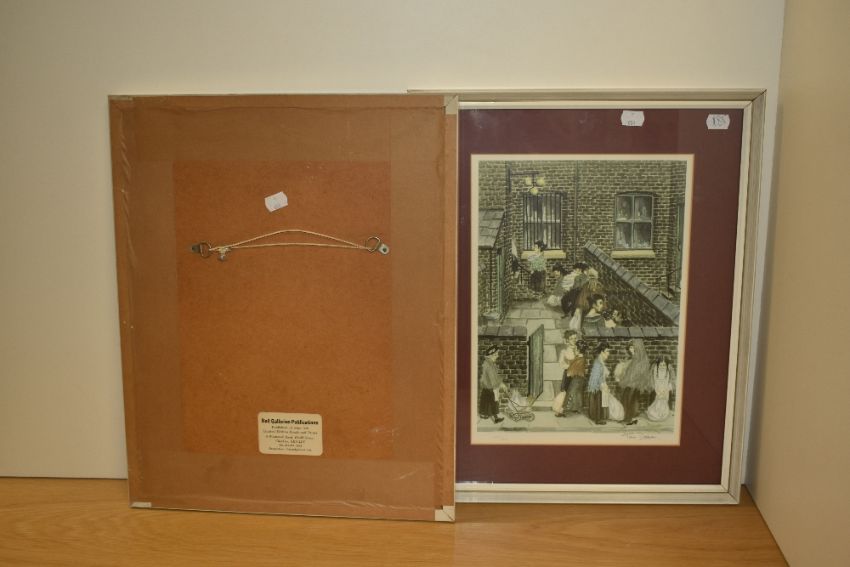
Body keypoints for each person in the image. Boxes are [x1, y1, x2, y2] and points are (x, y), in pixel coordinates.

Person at [616, 338, 652, 425]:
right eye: (630, 348)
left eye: (632, 348)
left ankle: (628, 419)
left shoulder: (641, 360)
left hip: (635, 384)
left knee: (629, 400)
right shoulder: (634, 359)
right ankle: (627, 418)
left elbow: (640, 374)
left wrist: (632, 381)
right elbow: (629, 373)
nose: (630, 350)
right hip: (630, 384)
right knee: (626, 399)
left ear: (637, 348)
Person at [553, 331, 579, 416]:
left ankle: (573, 408)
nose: (574, 340)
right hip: (569, 373)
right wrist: (569, 366)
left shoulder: (578, 349)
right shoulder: (564, 351)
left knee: (575, 390)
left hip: (577, 374)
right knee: (565, 390)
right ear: (567, 340)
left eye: (575, 338)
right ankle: (559, 410)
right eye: (571, 339)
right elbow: (561, 363)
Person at [478, 346, 506, 424]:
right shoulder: (489, 364)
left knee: (486, 401)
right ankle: (495, 418)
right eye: (496, 354)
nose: (497, 356)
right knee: (494, 401)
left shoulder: (488, 363)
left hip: (487, 386)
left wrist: (500, 383)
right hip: (490, 386)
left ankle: (484, 415)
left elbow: (494, 376)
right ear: (491, 355)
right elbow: (492, 377)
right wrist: (498, 385)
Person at [587, 342, 611, 424]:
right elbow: (596, 378)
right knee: (598, 402)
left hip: (599, 386)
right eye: (607, 351)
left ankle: (599, 418)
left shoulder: (600, 362)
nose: (608, 353)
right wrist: (602, 385)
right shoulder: (598, 363)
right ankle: (598, 419)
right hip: (596, 388)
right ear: (601, 352)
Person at [563, 339, 589, 414]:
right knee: (577, 393)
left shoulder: (579, 359)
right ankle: (577, 408)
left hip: (577, 378)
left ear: (578, 350)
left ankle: (566, 409)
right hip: (580, 379)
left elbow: (573, 369)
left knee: (572, 392)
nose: (574, 350)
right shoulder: (581, 358)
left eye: (575, 349)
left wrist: (568, 372)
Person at [646, 357, 674, 422]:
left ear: (667, 366)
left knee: (664, 401)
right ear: (658, 365)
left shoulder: (667, 371)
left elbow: (668, 382)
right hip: (658, 387)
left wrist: (665, 390)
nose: (662, 367)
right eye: (661, 365)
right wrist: (658, 391)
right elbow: (655, 382)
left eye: (664, 365)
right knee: (658, 401)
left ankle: (663, 413)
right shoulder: (656, 371)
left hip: (665, 388)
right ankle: (657, 413)